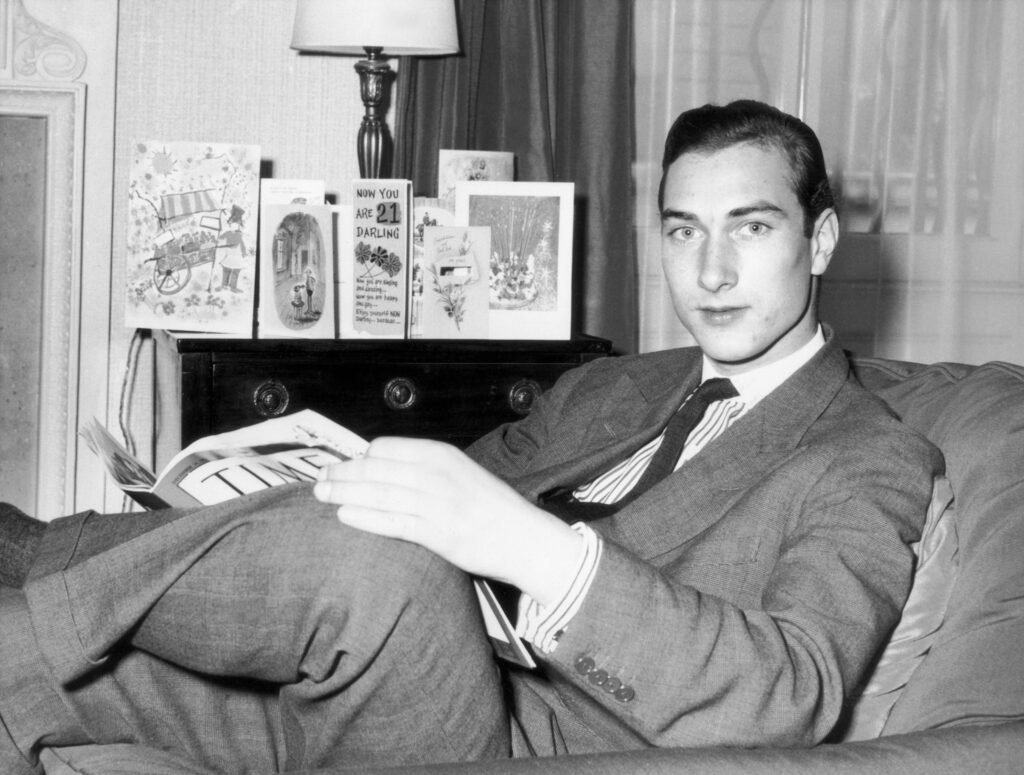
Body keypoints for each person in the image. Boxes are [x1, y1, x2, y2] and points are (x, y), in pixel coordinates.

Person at [0, 100, 941, 774]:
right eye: (683, 231)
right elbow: (444, 491)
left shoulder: (869, 452)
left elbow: (791, 691)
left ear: (818, 243)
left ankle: (27, 557)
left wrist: (526, 547)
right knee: (71, 684)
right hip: (368, 683)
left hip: (538, 742)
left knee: (383, 563)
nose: (713, 268)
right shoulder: (615, 386)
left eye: (753, 227)